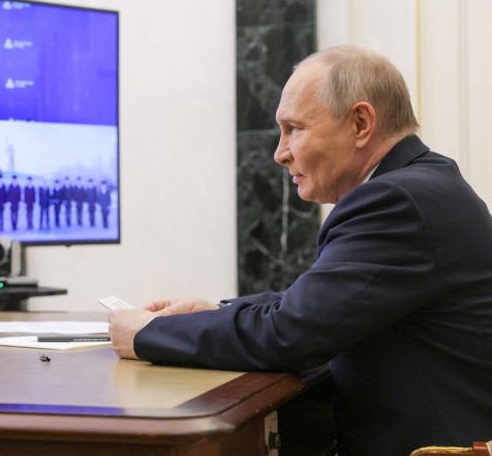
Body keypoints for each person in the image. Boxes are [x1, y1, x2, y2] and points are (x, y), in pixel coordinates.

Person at [107, 45, 492, 456]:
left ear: (360, 123)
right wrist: (215, 313)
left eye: (295, 128)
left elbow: (293, 333)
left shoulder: (396, 200)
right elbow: (322, 306)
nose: (280, 152)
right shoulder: (424, 183)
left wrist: (148, 334)